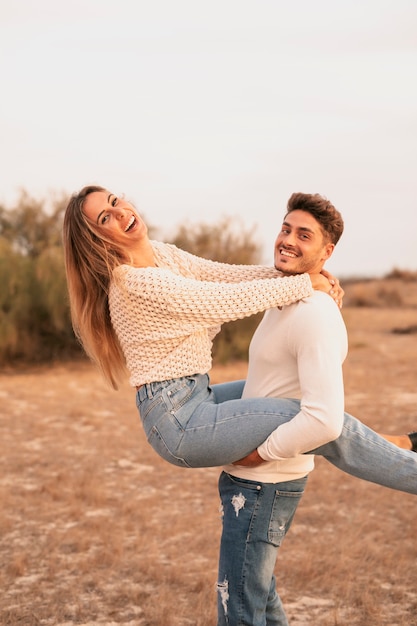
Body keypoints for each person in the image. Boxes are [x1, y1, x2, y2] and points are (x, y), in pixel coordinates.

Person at [62, 186, 416, 479]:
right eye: (105, 218)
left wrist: (301, 276)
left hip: (196, 395)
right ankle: (404, 457)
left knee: (314, 406)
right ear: (96, 239)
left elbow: (226, 275)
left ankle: (396, 444)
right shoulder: (134, 281)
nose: (121, 212)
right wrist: (306, 284)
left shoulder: (160, 254)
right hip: (178, 422)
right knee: (314, 421)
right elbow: (220, 300)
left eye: (114, 201)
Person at [216, 193, 416, 626]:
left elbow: (324, 418)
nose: (287, 240)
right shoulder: (284, 296)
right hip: (251, 484)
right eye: (285, 229)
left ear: (327, 253)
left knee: (240, 613)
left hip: (263, 485)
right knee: (260, 603)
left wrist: (259, 454)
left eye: (303, 235)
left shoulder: (314, 315)